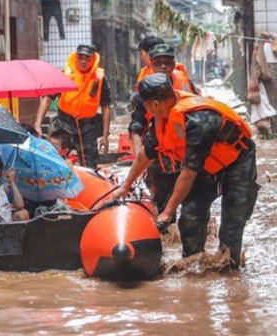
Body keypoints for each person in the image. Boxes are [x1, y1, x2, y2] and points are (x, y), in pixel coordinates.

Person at [113, 73, 259, 268]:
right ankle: (192, 268)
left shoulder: (197, 121)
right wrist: (125, 186)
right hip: (208, 165)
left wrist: (166, 213)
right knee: (190, 214)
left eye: (145, 104)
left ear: (155, 104)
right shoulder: (162, 121)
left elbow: (188, 173)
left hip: (237, 161)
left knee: (232, 223)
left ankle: (230, 270)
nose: (144, 109)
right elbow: (144, 155)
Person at [129, 44, 201, 219]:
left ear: (174, 63)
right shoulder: (142, 94)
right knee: (163, 211)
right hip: (157, 161)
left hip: (185, 159)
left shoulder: (186, 86)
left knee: (193, 211)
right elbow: (136, 129)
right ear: (150, 64)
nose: (163, 67)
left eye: (167, 63)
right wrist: (140, 161)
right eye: (158, 63)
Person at [33, 44, 111, 169]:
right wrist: (37, 124)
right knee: (52, 162)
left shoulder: (100, 79)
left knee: (90, 167)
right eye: (80, 58)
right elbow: (47, 99)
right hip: (64, 124)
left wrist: (105, 136)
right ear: (76, 58)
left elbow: (106, 107)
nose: (83, 62)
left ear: (93, 59)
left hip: (87, 128)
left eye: (87, 59)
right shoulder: (64, 74)